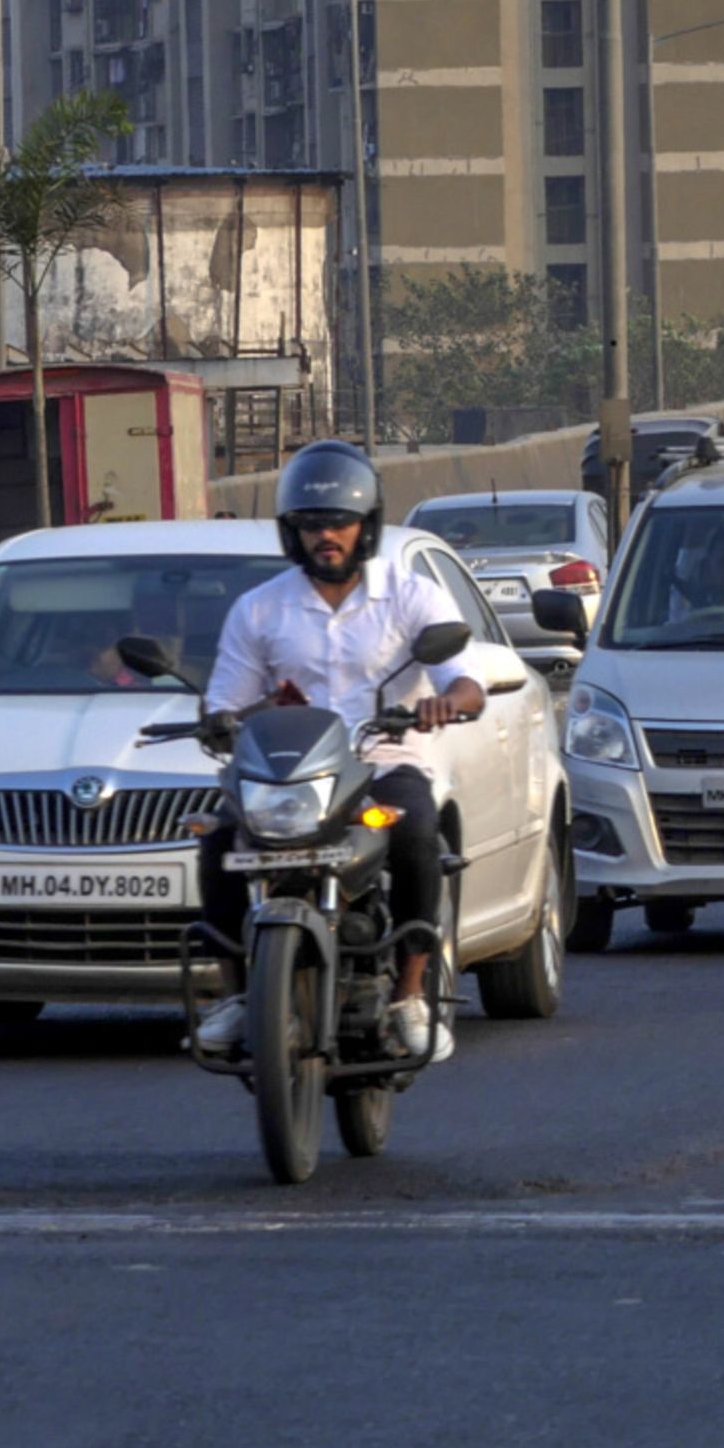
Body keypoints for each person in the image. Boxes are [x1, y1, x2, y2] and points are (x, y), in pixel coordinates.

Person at [190, 443, 483, 1066]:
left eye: (338, 523)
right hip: (289, 779)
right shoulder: (260, 607)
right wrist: (225, 719)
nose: (325, 536)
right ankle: (240, 994)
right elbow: (225, 701)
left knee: (417, 837)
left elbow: (466, 681)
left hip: (383, 765)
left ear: (366, 526)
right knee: (217, 841)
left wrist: (446, 702)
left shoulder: (410, 596)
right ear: (291, 531)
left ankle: (409, 996)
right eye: (310, 524)